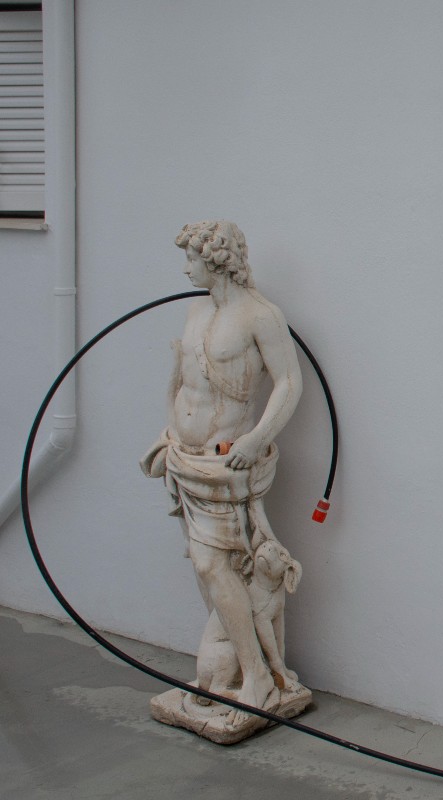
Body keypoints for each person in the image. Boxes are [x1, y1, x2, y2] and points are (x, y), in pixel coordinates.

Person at [141, 220, 302, 729]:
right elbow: (184, 382)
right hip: (184, 459)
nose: (185, 268)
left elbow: (289, 382)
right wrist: (171, 433)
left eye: (191, 258)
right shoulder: (196, 309)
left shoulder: (261, 315)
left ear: (216, 260)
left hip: (225, 462)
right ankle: (231, 672)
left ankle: (257, 678)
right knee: (205, 569)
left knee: (218, 567)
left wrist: (255, 440)